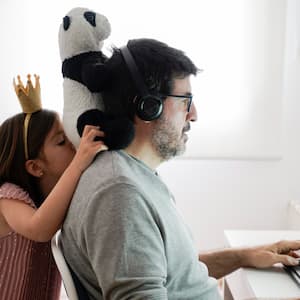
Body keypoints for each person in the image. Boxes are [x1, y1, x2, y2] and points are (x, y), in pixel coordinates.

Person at [60, 39, 300, 300]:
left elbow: (172, 275)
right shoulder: (120, 194)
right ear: (148, 106)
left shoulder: (131, 175)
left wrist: (244, 256)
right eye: (185, 101)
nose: (194, 114)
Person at [0, 74, 107, 300]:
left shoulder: (51, 200)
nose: (73, 144)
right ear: (35, 167)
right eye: (61, 141)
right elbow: (38, 229)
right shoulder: (7, 196)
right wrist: (78, 165)